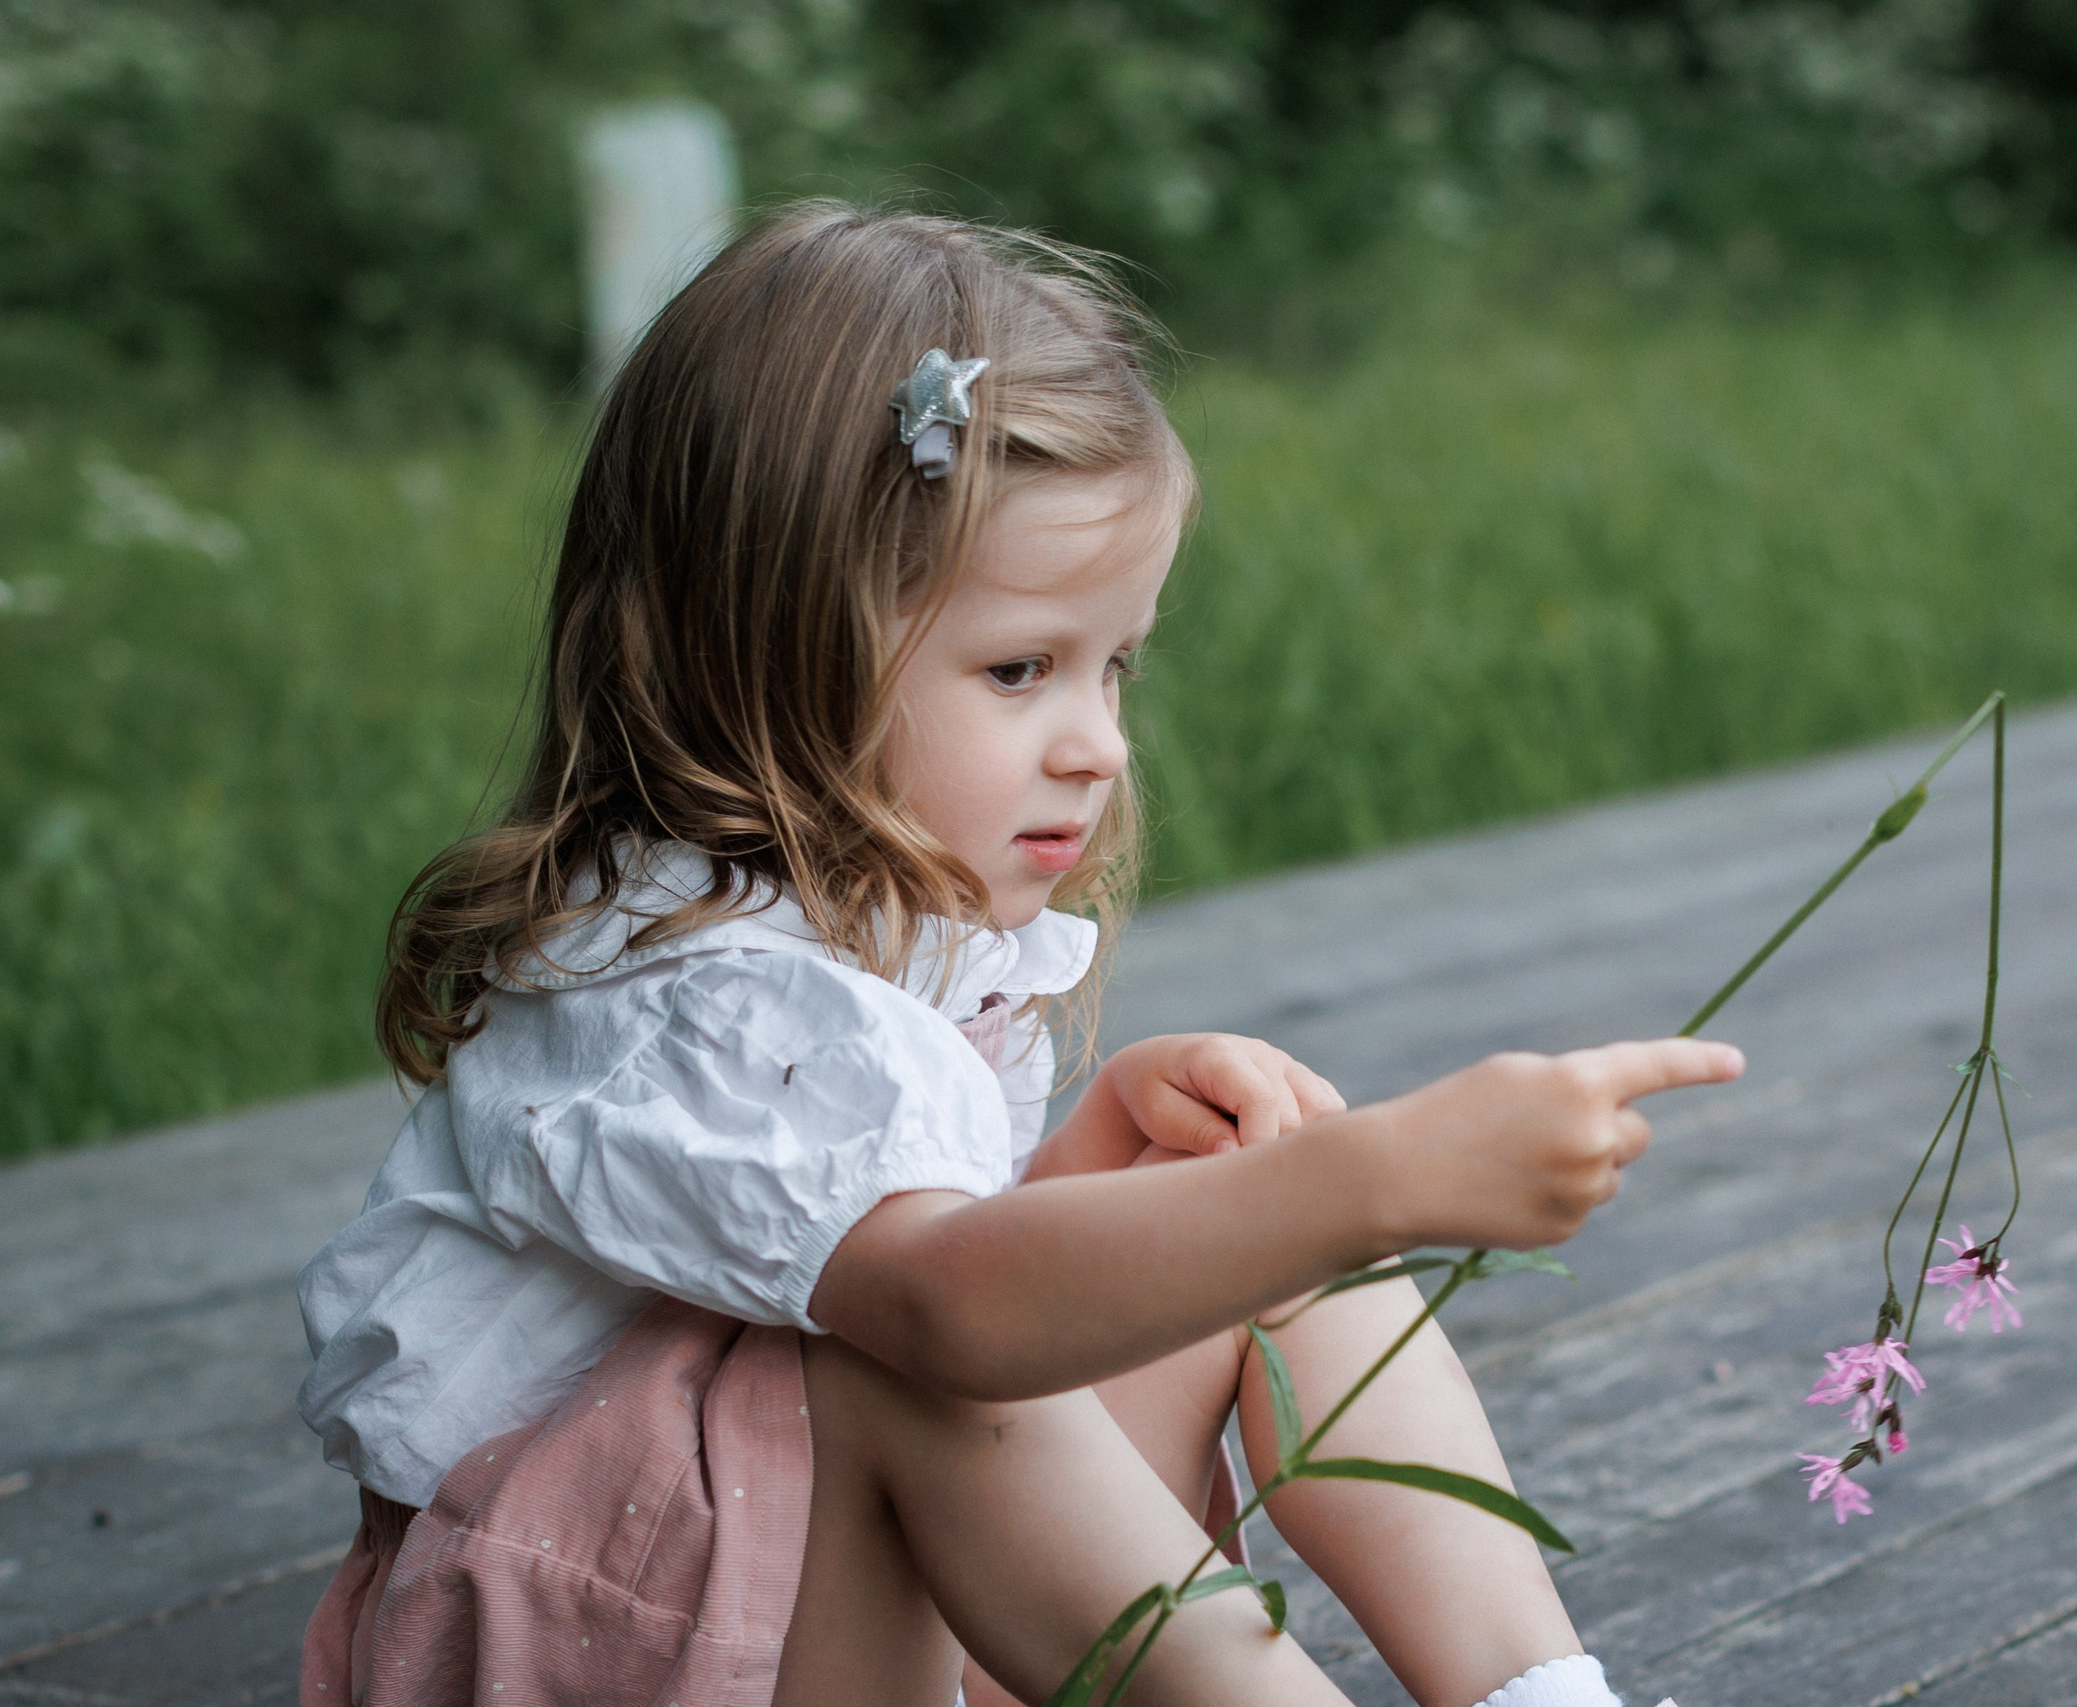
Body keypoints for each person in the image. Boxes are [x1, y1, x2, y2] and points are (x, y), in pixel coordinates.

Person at [295, 202, 1744, 1707]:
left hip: (799, 1593)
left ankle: (1539, 1693)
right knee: (941, 1340)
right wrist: (1367, 1181)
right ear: (757, 646)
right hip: (593, 1641)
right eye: (1020, 670)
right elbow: (936, 1308)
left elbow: (914, 1276)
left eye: (1116, 665)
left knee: (1238, 1208)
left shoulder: (874, 938)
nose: (1100, 745)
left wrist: (1127, 1165)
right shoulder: (687, 994)